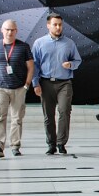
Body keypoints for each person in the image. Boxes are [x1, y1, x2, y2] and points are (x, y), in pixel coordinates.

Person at [0, 19, 35, 158]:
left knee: (17, 118)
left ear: (16, 31)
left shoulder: (23, 47)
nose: (9, 32)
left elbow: (31, 67)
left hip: (18, 87)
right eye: (7, 29)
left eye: (12, 30)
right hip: (0, 87)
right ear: (1, 30)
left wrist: (26, 85)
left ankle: (15, 145)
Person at [31, 12, 81, 155]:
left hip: (64, 83)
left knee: (64, 111)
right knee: (48, 115)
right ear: (48, 26)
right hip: (45, 82)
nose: (58, 27)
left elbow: (78, 61)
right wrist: (35, 83)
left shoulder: (69, 43)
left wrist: (70, 64)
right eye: (55, 24)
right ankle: (51, 144)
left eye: (60, 25)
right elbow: (35, 65)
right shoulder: (39, 43)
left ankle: (61, 143)